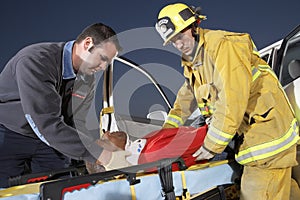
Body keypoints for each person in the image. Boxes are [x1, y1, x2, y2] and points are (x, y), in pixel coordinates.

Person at [155, 3, 300, 200]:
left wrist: (210, 146)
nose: (178, 44)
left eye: (180, 36)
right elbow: (184, 102)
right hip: (253, 141)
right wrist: (164, 136)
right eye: (173, 41)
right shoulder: (195, 63)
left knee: (256, 193)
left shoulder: (223, 45)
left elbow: (232, 100)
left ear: (195, 26)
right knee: (284, 191)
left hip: (266, 139)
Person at [0, 23, 130, 188]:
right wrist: (99, 153)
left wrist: (87, 160)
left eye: (108, 63)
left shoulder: (87, 80)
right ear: (87, 44)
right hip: (10, 134)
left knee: (64, 189)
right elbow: (45, 122)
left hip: (53, 141)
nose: (103, 67)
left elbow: (77, 121)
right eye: (103, 58)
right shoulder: (35, 60)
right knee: (8, 192)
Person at [86, 125, 210, 174]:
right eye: (104, 140)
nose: (107, 133)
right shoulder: (153, 154)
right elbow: (207, 137)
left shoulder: (145, 151)